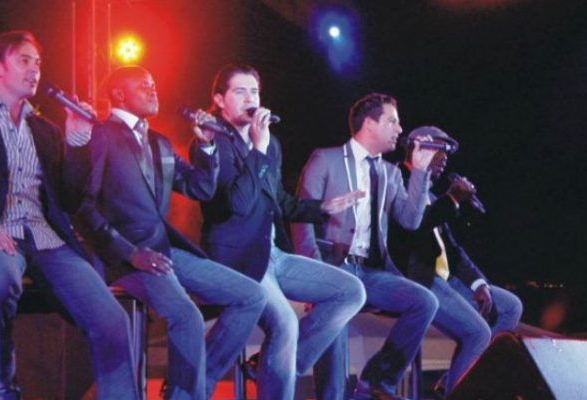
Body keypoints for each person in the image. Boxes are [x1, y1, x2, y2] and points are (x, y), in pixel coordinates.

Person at [0, 30, 138, 399]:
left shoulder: (46, 131)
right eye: (24, 60)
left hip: (46, 240)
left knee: (112, 320)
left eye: (38, 62)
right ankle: (2, 386)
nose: (35, 69)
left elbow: (69, 199)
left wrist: (77, 141)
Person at [73, 65, 267, 399]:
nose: (153, 90)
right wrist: (131, 253)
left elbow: (200, 188)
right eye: (143, 85)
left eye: (154, 84)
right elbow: (82, 206)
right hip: (125, 256)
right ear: (118, 94)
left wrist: (206, 146)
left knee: (251, 296)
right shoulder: (100, 135)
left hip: (165, 249)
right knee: (187, 316)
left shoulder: (159, 142)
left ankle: (195, 387)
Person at [191, 64, 366, 400]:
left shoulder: (270, 144)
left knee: (350, 291)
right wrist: (257, 150)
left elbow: (280, 201)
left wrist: (322, 207)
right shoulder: (212, 141)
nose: (250, 99)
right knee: (285, 321)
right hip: (238, 259)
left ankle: (271, 365)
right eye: (240, 91)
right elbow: (239, 203)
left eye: (254, 91)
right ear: (219, 99)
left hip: (273, 254)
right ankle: (266, 374)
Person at [292, 93, 441, 400]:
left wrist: (421, 172)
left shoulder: (390, 172)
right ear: (370, 124)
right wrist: (313, 274)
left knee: (424, 302)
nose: (400, 129)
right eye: (392, 121)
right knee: (336, 327)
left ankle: (375, 384)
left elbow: (410, 220)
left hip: (371, 271)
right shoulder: (326, 159)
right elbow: (301, 218)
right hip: (334, 267)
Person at [388, 126, 524, 396]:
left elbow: (452, 249)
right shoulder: (396, 180)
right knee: (477, 333)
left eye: (448, 152)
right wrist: (451, 199)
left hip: (446, 278)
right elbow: (412, 229)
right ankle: (461, 394)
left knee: (510, 306)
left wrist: (478, 284)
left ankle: (455, 381)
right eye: (440, 148)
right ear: (417, 148)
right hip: (418, 276)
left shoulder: (432, 196)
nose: (446, 157)